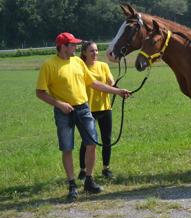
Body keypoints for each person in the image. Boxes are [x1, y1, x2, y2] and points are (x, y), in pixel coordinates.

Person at [36, 32, 130, 201]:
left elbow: (93, 83)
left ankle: (88, 180)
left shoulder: (78, 62)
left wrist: (118, 91)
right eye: (72, 45)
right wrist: (59, 104)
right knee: (67, 148)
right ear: (63, 46)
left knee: (92, 143)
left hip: (83, 109)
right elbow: (40, 93)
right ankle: (72, 185)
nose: (76, 47)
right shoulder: (49, 65)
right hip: (64, 112)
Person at [78, 41, 114, 180]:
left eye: (96, 50)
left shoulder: (103, 66)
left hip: (105, 108)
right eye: (92, 51)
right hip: (88, 109)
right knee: (87, 142)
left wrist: (112, 84)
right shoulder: (81, 68)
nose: (95, 53)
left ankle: (106, 168)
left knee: (107, 139)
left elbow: (110, 81)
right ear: (84, 53)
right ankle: (83, 169)